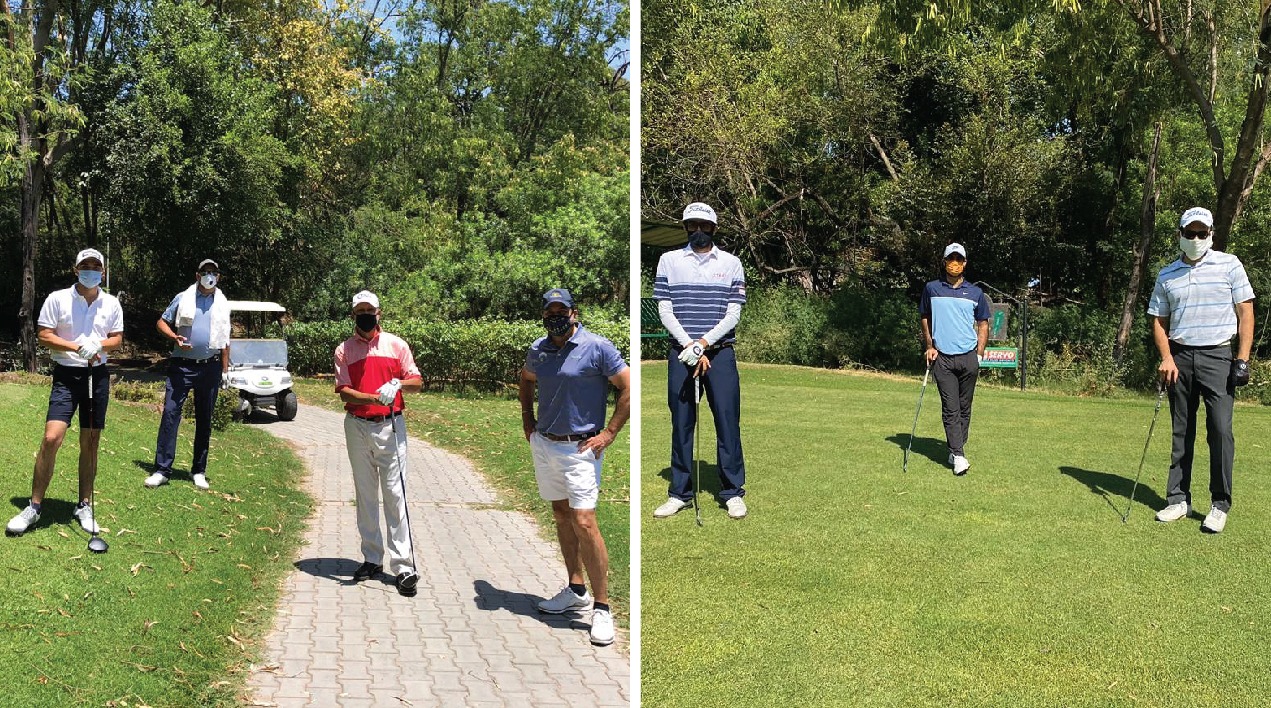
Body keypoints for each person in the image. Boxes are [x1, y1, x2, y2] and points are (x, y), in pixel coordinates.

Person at [519, 288, 630, 646]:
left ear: (573, 313)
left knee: (584, 521)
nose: (555, 317)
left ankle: (603, 608)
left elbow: (628, 387)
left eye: (561, 311)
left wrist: (609, 433)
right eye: (549, 312)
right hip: (546, 444)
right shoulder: (539, 349)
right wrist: (527, 419)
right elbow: (526, 380)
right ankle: (576, 588)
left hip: (581, 448)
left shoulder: (597, 347)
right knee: (561, 514)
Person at [1149, 207, 1255, 533]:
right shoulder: (1167, 274)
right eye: (1190, 233)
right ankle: (1178, 499)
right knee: (1182, 431)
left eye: (1201, 233)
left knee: (1220, 430)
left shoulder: (1229, 264)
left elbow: (1245, 312)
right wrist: (1166, 357)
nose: (1195, 238)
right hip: (1180, 357)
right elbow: (1158, 321)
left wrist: (1242, 359)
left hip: (1218, 356)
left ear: (1211, 234)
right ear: (1180, 234)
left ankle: (1219, 504)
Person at [6, 248, 124, 536]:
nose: (90, 270)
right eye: (85, 265)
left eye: (95, 266)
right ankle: (34, 506)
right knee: (51, 438)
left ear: (103, 272)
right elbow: (44, 335)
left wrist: (99, 345)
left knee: (91, 441)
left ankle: (84, 505)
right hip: (67, 376)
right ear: (76, 269)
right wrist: (76, 346)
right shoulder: (57, 298)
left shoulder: (111, 304)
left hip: (96, 377)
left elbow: (117, 339)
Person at [652, 202, 749, 520]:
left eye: (704, 226)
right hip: (680, 353)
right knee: (681, 423)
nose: (698, 231)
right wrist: (689, 346)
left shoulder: (731, 263)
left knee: (727, 422)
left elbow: (733, 314)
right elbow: (665, 309)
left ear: (714, 229)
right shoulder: (669, 260)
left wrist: (703, 345)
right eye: (691, 225)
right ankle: (679, 493)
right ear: (685, 228)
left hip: (720, 353)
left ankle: (732, 492)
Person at [334, 290, 424, 595]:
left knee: (395, 494)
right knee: (366, 494)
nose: (365, 315)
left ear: (378, 313)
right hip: (357, 425)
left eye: (369, 310)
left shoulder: (396, 345)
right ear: (353, 315)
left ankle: (404, 566)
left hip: (391, 425)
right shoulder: (344, 350)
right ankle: (372, 558)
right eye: (360, 311)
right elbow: (344, 391)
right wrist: (374, 397)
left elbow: (416, 382)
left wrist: (398, 383)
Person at [145, 258, 230, 490]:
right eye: (205, 271)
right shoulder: (183, 298)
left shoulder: (222, 303)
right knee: (170, 414)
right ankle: (162, 469)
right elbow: (161, 322)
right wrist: (174, 337)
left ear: (218, 277)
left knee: (205, 418)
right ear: (197, 275)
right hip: (182, 366)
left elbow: (225, 338)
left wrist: (225, 370)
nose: (209, 275)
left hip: (210, 367)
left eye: (213, 272)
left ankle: (198, 470)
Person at [919, 243, 991, 476]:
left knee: (964, 407)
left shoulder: (975, 293)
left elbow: (983, 324)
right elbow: (925, 317)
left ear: (965, 263)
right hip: (943, 358)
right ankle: (959, 456)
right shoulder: (932, 288)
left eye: (959, 259)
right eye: (951, 258)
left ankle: (955, 447)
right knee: (951, 407)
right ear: (944, 262)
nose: (955, 263)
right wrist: (929, 346)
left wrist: (979, 354)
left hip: (969, 357)